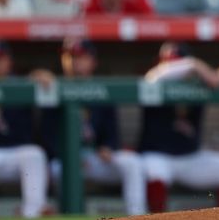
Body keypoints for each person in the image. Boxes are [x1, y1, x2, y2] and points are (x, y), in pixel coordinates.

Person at [41, 38, 147, 216]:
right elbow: (47, 136)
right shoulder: (55, 88)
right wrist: (69, 155)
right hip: (64, 159)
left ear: (93, 61)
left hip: (94, 157)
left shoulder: (102, 89)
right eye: (69, 56)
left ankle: (136, 214)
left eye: (80, 56)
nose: (74, 61)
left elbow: (112, 133)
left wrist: (108, 147)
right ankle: (67, 215)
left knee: (132, 163)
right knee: (55, 169)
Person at [140, 42, 219, 213]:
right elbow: (157, 75)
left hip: (190, 157)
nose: (173, 67)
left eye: (177, 62)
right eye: (169, 62)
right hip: (158, 156)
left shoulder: (198, 82)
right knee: (154, 172)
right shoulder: (155, 79)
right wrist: (194, 64)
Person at [0, 41, 49, 219]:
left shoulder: (20, 84)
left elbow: (38, 81)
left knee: (34, 154)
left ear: (9, 61)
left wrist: (38, 75)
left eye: (0, 58)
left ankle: (32, 214)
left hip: (15, 154)